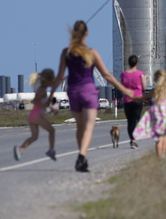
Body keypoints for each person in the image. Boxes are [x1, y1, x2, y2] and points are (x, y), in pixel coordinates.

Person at [49, 20, 135, 173]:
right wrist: (124, 90)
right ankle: (82, 156)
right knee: (88, 127)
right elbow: (106, 75)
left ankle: (83, 158)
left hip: (73, 92)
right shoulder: (92, 53)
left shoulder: (66, 53)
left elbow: (59, 77)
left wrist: (50, 95)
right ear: (86, 33)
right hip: (88, 92)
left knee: (79, 127)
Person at [132, 69, 166, 159]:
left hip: (157, 115)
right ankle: (163, 154)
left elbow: (143, 97)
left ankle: (159, 157)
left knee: (158, 137)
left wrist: (134, 97)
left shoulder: (155, 91)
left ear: (155, 79)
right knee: (164, 134)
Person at [14, 69, 57, 162]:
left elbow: (42, 103)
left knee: (34, 137)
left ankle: (20, 148)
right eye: (52, 80)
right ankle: (51, 150)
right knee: (52, 131)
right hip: (37, 116)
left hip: (32, 116)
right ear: (47, 81)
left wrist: (51, 109)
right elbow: (35, 101)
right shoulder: (42, 91)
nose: (53, 81)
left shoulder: (41, 89)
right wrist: (44, 105)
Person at [120, 54, 146, 149]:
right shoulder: (140, 74)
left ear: (128, 63)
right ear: (137, 63)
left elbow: (122, 87)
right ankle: (135, 138)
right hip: (137, 99)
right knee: (136, 119)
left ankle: (132, 140)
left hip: (127, 100)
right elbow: (144, 87)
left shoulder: (123, 74)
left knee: (130, 121)